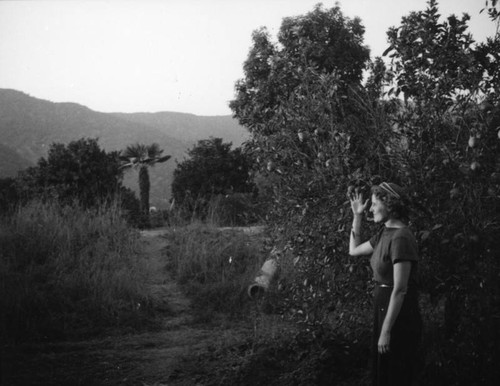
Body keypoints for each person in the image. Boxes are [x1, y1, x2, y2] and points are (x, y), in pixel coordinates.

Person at [348, 182, 422, 386]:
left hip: (399, 316)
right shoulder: (384, 233)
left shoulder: (401, 238)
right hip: (383, 310)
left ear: (389, 204)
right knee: (383, 373)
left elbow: (400, 289)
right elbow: (353, 250)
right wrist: (357, 216)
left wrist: (386, 331)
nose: (370, 209)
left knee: (396, 374)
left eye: (373, 204)